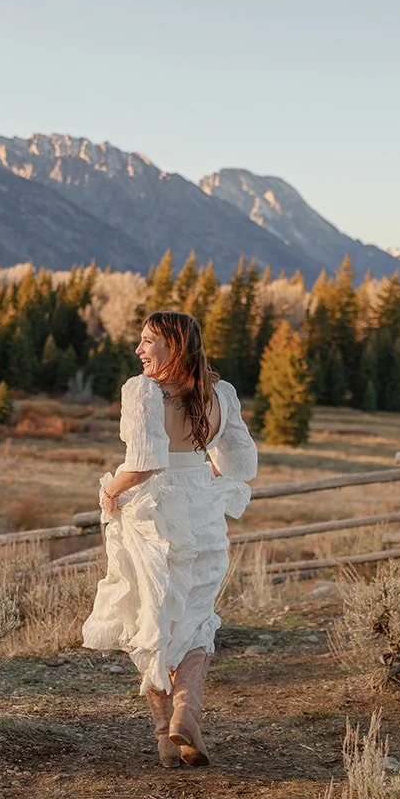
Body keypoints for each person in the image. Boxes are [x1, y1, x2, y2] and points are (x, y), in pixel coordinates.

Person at [82, 310, 257, 767]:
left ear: (173, 345)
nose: (139, 350)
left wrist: (109, 490)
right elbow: (240, 463)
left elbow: (145, 462)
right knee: (196, 617)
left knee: (150, 617)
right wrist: (203, 473)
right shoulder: (220, 394)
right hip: (201, 511)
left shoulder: (143, 391)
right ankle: (184, 715)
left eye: (147, 342)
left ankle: (165, 734)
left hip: (153, 512)